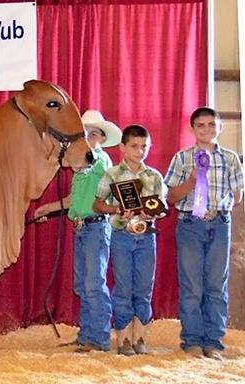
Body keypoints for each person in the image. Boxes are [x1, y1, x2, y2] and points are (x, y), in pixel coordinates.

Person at [35, 110, 121, 352]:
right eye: (85, 134)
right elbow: (73, 200)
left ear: (102, 139)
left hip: (96, 227)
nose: (89, 138)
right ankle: (87, 334)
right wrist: (46, 209)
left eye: (93, 134)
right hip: (83, 229)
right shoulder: (84, 166)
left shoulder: (100, 162)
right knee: (84, 284)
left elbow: (82, 164)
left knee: (94, 283)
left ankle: (100, 338)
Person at [164, 107, 243, 361]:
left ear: (220, 127)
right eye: (201, 125)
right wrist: (192, 181)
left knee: (216, 284)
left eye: (211, 125)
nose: (207, 130)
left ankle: (214, 342)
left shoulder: (231, 159)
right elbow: (171, 197)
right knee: (191, 285)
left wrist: (218, 204)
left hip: (220, 224)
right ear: (192, 129)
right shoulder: (182, 158)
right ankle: (193, 341)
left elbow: (238, 196)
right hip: (190, 224)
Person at [93, 125, 167, 356]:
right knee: (123, 286)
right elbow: (97, 204)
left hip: (146, 236)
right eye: (134, 146)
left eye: (144, 146)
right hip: (121, 235)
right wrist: (115, 208)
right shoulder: (112, 174)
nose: (140, 151)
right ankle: (123, 339)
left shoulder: (154, 176)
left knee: (145, 286)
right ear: (123, 147)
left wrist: (152, 213)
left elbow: (161, 207)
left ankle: (141, 337)